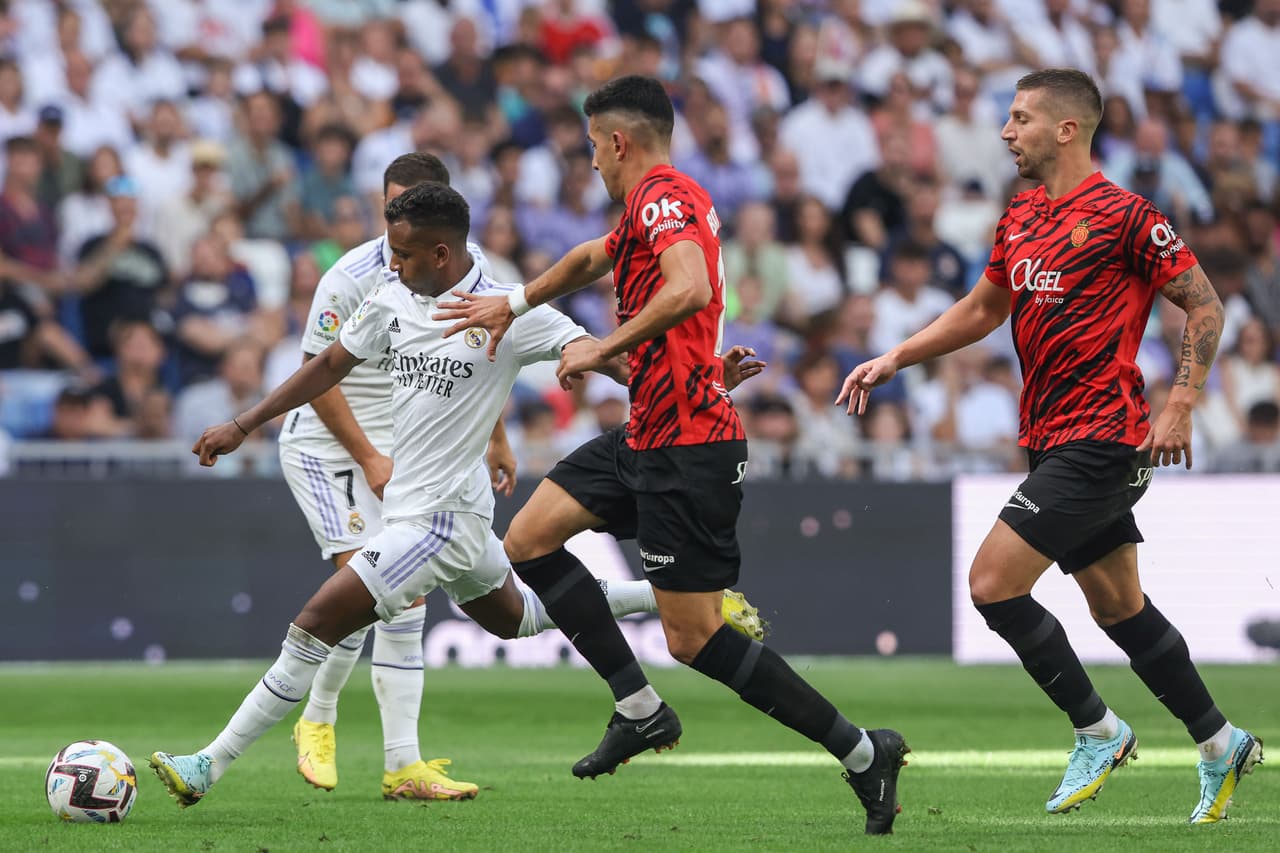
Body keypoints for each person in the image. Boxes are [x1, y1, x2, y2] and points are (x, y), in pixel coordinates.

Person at [148, 180, 763, 809]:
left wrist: (708, 377)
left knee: (312, 627)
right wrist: (244, 423)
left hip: (436, 522)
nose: (392, 263)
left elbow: (602, 355)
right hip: (454, 517)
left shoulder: (508, 310)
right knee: (517, 617)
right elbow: (329, 365)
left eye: (405, 253)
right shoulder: (391, 299)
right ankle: (675, 600)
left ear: (442, 254)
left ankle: (207, 764)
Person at [434, 75, 909, 836]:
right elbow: (595, 256)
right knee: (527, 538)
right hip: (651, 430)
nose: (590, 161)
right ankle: (639, 706)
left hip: (690, 447)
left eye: (593, 146)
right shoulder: (652, 206)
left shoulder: (663, 196)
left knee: (694, 638)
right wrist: (514, 302)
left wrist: (602, 345)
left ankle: (861, 751)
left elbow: (688, 288)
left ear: (619, 141)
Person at [838, 68, 1263, 824]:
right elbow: (981, 308)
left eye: (1020, 117)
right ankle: (1219, 739)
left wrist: (1181, 401)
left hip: (1106, 435)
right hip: (1050, 436)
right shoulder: (1021, 214)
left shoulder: (1128, 216)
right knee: (1118, 606)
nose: (1006, 131)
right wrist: (898, 355)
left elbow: (1205, 303)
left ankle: (1098, 729)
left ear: (1066, 129)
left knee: (992, 582)